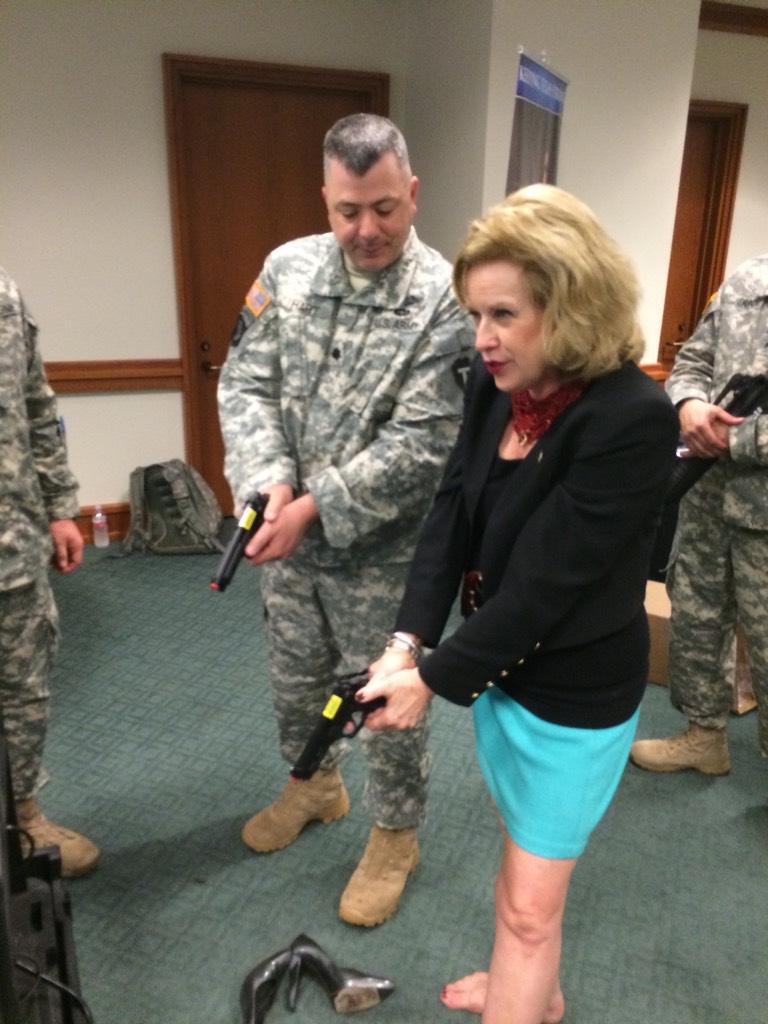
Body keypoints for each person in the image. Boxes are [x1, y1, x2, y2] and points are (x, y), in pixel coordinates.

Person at [356, 184, 679, 1022]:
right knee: (527, 873)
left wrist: (429, 676)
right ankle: (530, 988)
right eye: (474, 314)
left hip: (572, 698)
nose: (482, 339)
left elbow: (548, 587)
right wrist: (408, 638)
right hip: (502, 674)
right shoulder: (498, 385)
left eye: (503, 315)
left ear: (568, 309)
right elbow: (451, 511)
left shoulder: (629, 418)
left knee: (529, 909)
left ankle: (527, 987)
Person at [217, 113, 473, 927]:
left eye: (385, 209)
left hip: (387, 557)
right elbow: (245, 384)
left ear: (414, 194)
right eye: (347, 210)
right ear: (325, 197)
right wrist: (269, 481)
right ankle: (317, 788)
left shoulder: (447, 300)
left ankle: (395, 834)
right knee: (296, 685)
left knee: (384, 704)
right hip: (290, 546)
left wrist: (315, 506)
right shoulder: (285, 270)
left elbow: (425, 443)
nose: (366, 229)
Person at [630, 254, 768, 775]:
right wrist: (688, 405)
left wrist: (736, 438)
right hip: (708, 496)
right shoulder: (748, 280)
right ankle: (703, 735)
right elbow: (691, 363)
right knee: (696, 620)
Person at [0, 266, 100, 877]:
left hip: (15, 543)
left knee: (24, 687)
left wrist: (60, 506)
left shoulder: (5, 298)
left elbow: (38, 407)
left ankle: (24, 815)